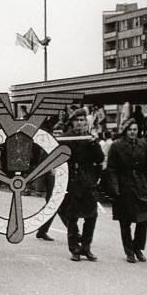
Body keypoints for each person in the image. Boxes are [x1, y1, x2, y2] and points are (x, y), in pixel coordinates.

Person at [55, 108, 105, 261]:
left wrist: (94, 143)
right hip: (72, 183)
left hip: (88, 183)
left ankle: (86, 248)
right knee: (72, 217)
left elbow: (100, 159)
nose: (80, 123)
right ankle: (75, 249)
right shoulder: (65, 138)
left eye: (83, 120)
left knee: (91, 217)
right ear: (72, 122)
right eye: (77, 120)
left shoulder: (90, 138)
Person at [107, 118, 147, 263]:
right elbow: (111, 169)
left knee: (144, 219)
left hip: (141, 186)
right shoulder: (116, 146)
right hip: (124, 187)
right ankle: (129, 251)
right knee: (125, 221)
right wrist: (115, 188)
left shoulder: (143, 145)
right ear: (125, 131)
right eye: (130, 130)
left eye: (135, 129)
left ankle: (137, 247)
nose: (133, 132)